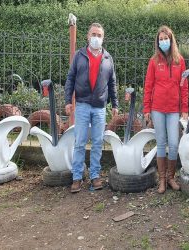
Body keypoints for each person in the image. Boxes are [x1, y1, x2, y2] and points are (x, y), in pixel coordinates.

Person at [65, 23, 119, 193]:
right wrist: (68, 100)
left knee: (97, 143)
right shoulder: (79, 56)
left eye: (99, 35)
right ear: (88, 36)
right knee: (80, 142)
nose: (96, 38)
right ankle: (77, 177)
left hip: (100, 108)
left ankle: (95, 176)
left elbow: (112, 83)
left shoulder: (108, 58)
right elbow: (70, 78)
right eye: (93, 34)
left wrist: (115, 104)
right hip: (81, 105)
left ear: (103, 38)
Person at [143, 25, 189, 194]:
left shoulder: (180, 61)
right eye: (160, 39)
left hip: (174, 109)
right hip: (157, 108)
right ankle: (162, 179)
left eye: (166, 38)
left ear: (171, 39)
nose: (163, 41)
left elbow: (184, 87)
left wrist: (185, 108)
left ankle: (171, 177)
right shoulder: (153, 61)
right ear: (158, 42)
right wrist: (147, 107)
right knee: (161, 143)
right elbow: (148, 85)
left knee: (174, 143)